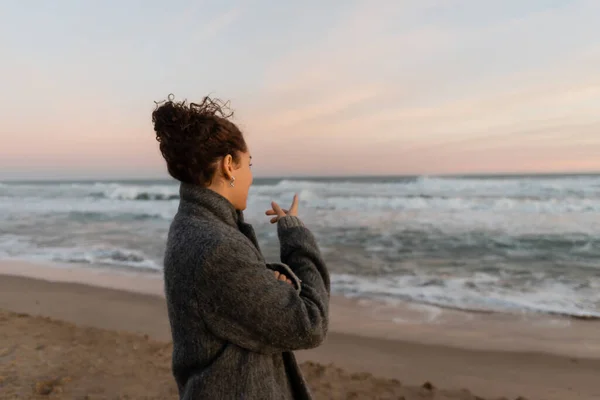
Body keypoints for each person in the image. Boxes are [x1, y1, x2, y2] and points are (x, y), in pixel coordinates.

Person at [152, 95, 331, 399]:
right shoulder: (216, 245)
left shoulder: (195, 226)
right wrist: (295, 235)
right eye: (249, 164)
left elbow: (230, 305)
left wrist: (269, 279)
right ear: (229, 166)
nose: (250, 176)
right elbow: (309, 323)